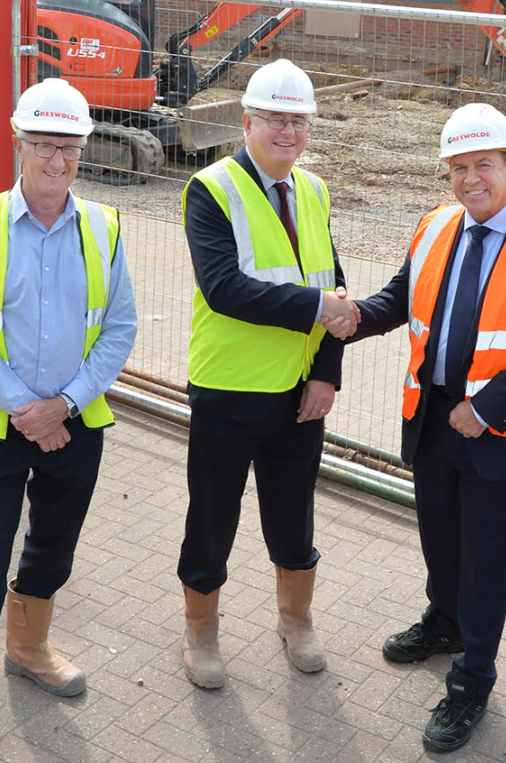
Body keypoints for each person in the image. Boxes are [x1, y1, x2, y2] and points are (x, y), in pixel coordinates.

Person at [348, 103, 506, 752]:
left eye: (485, 164)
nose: (471, 178)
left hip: (499, 428)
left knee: (486, 558)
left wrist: (485, 409)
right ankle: (444, 621)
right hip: (434, 415)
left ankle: (473, 676)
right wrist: (353, 318)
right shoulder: (434, 226)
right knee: (440, 538)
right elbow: (400, 299)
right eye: (459, 167)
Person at [0, 78, 137, 763]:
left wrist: (67, 405)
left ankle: (27, 650)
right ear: (19, 144)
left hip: (73, 424)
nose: (57, 161)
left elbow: (120, 328)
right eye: (44, 146)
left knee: (53, 547)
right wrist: (30, 412)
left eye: (70, 148)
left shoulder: (106, 228)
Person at [178, 59, 358, 689]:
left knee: (292, 514)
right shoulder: (211, 189)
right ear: (246, 121)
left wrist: (326, 374)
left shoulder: (313, 189)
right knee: (213, 517)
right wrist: (318, 309)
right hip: (229, 389)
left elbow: (333, 286)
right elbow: (224, 288)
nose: (287, 131)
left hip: (298, 393)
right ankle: (201, 631)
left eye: (297, 120)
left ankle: (296, 619)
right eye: (274, 119)